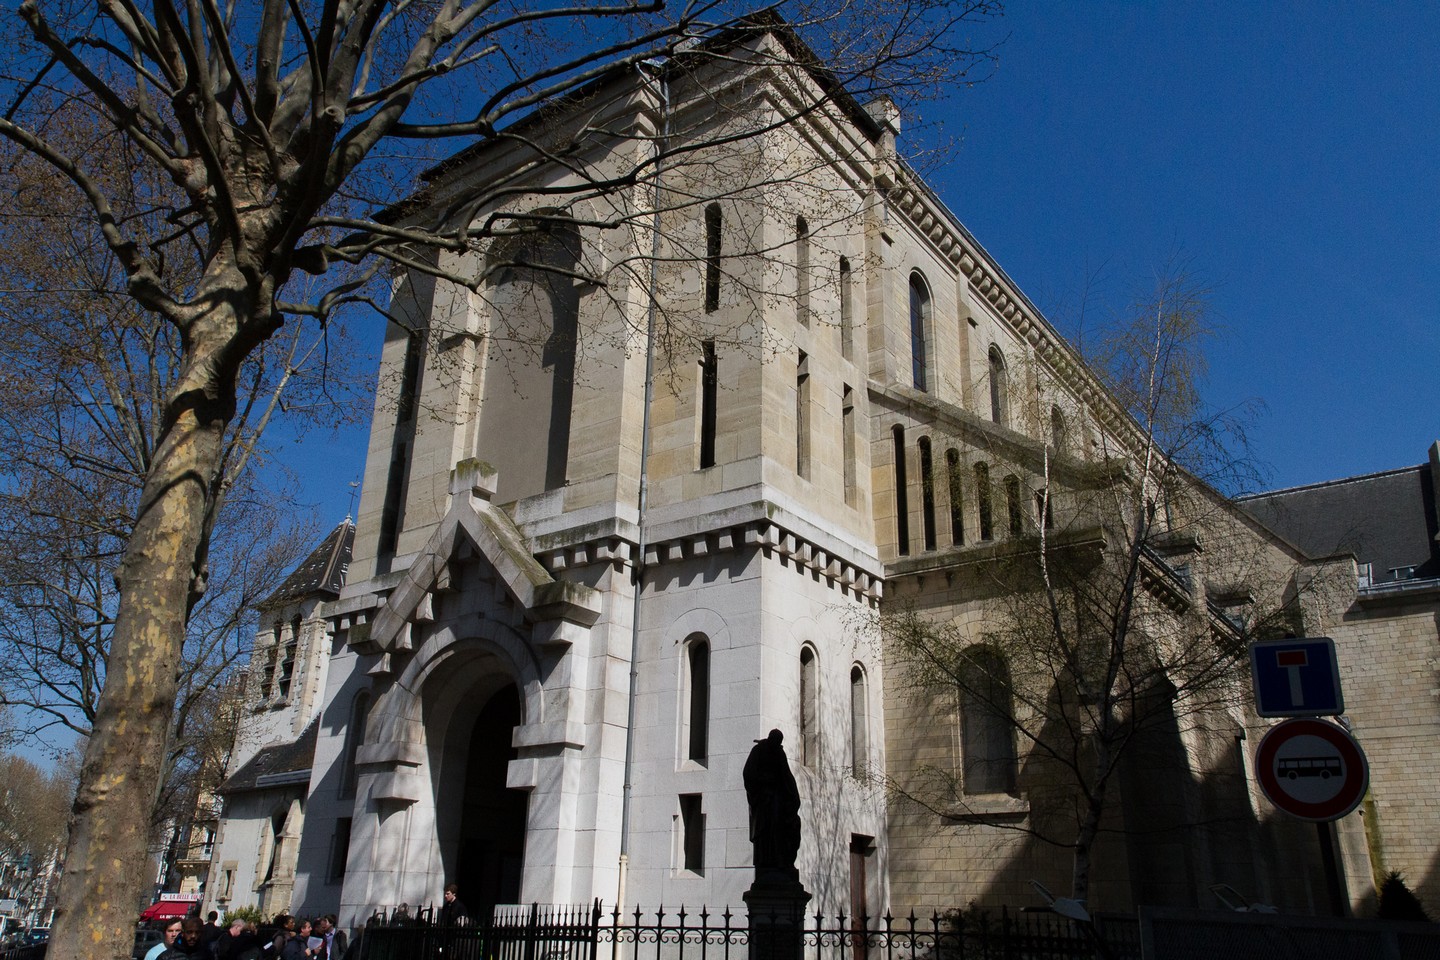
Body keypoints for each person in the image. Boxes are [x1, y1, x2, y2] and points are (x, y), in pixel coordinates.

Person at [742, 728, 802, 878]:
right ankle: (766, 863)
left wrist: (793, 798)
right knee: (765, 831)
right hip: (763, 800)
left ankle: (782, 862)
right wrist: (763, 782)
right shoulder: (758, 751)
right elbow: (748, 774)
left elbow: (786, 776)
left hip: (778, 799)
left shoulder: (779, 753)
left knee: (783, 828)